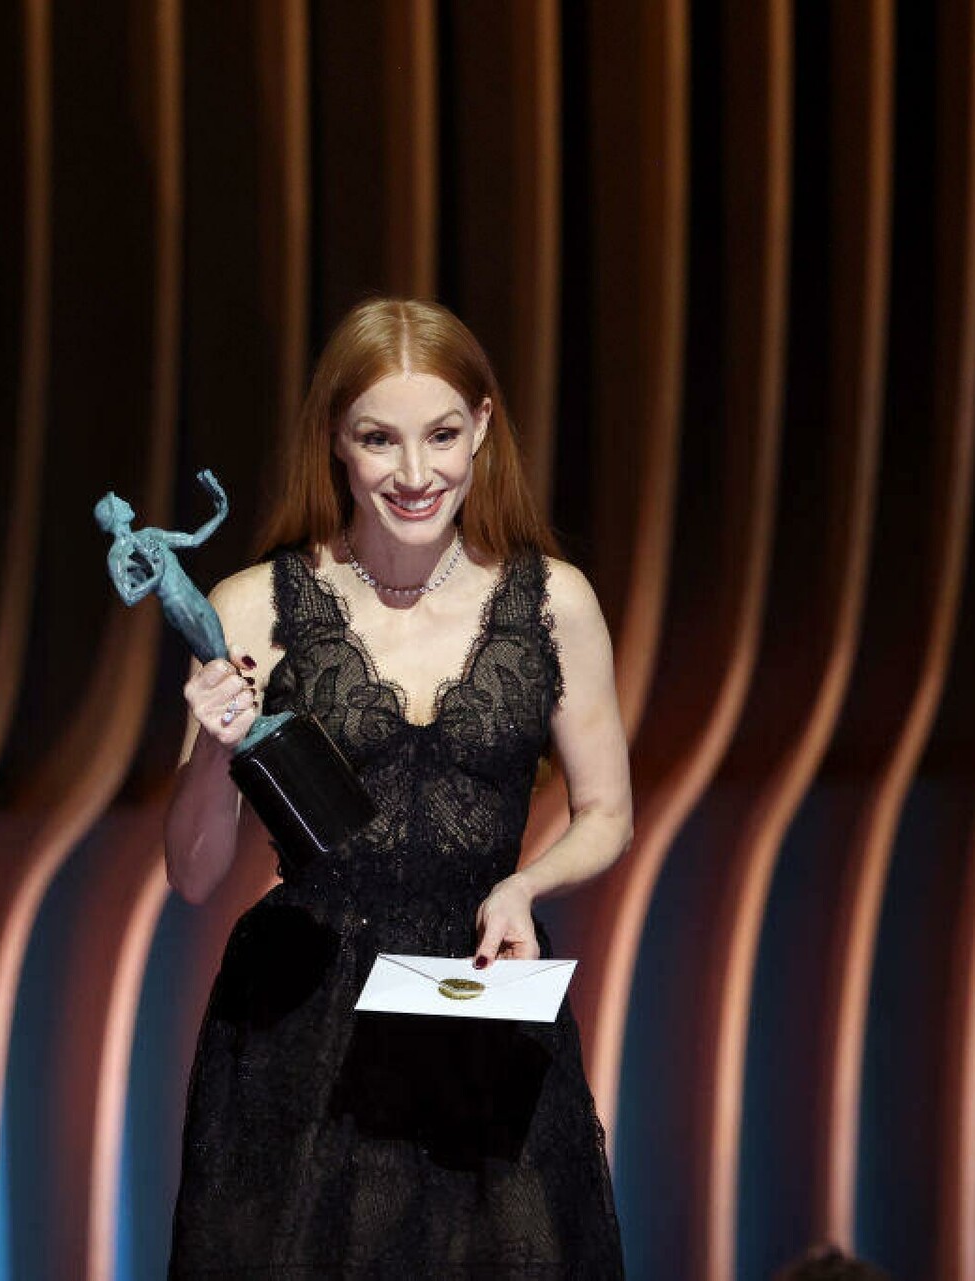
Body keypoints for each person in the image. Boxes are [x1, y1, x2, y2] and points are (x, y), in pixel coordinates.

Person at [165, 298, 632, 1276]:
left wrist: (525, 885)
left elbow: (606, 814)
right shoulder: (251, 606)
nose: (415, 474)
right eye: (380, 439)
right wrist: (213, 749)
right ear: (335, 439)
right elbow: (195, 872)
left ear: (484, 428)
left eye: (443, 435)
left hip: (480, 996)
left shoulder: (554, 602)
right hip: (301, 1024)